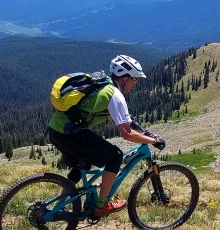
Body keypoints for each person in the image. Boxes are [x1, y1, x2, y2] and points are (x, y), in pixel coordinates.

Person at [46, 55, 165, 217]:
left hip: (56, 130)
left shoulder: (103, 84)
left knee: (84, 164)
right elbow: (127, 134)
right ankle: (102, 205)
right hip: (71, 134)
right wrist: (153, 140)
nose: (134, 84)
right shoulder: (115, 95)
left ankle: (59, 205)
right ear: (125, 79)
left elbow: (127, 120)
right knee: (115, 156)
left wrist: (143, 131)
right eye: (134, 80)